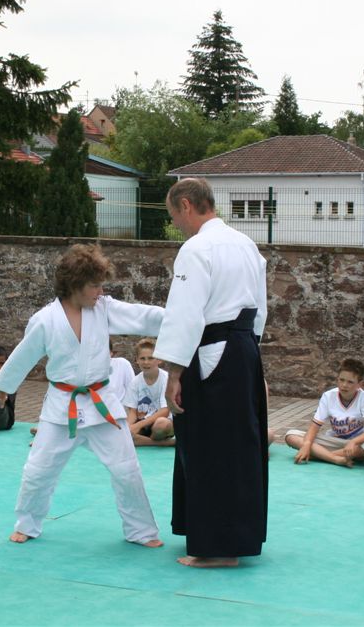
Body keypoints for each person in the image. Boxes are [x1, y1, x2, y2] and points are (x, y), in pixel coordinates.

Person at [0, 244, 165, 547]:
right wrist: (1, 388)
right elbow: (23, 355)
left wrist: (184, 317)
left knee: (127, 470)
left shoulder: (104, 309)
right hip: (61, 407)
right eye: (95, 285)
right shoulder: (45, 320)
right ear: (75, 284)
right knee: (38, 471)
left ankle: (141, 530)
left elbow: (143, 317)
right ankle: (27, 523)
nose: (100, 291)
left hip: (103, 405)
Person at [154, 178, 268, 569]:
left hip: (210, 353)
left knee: (208, 445)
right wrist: (252, 357)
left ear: (186, 205)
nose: (177, 225)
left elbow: (186, 314)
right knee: (239, 445)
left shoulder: (196, 248)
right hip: (244, 348)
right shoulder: (247, 245)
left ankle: (218, 549)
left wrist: (173, 372)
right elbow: (260, 309)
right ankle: (220, 534)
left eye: (174, 216)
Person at [283, 358, 364, 468]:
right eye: (341, 380)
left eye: (350, 382)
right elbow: (315, 426)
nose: (344, 385)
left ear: (360, 384)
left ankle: (320, 455)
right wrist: (307, 444)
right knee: (291, 435)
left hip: (355, 444)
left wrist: (354, 442)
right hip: (333, 441)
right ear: (337, 379)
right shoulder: (328, 396)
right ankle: (335, 459)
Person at [123, 338, 174, 447]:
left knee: (161, 424)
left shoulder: (166, 379)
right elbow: (132, 412)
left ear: (159, 360)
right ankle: (165, 443)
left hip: (163, 423)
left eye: (150, 358)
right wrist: (129, 427)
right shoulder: (135, 382)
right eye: (142, 358)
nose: (146, 362)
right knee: (125, 433)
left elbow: (165, 411)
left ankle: (145, 441)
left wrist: (139, 425)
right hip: (143, 424)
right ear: (137, 360)